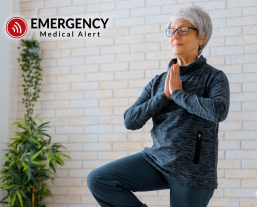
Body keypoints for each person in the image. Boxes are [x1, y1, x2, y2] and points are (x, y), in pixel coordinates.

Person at [87, 5, 230, 207]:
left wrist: (179, 94)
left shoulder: (213, 77)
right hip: (156, 160)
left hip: (193, 171)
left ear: (202, 37)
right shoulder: (159, 82)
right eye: (171, 31)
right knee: (100, 180)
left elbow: (218, 111)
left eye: (183, 30)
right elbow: (130, 120)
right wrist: (164, 96)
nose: (175, 36)